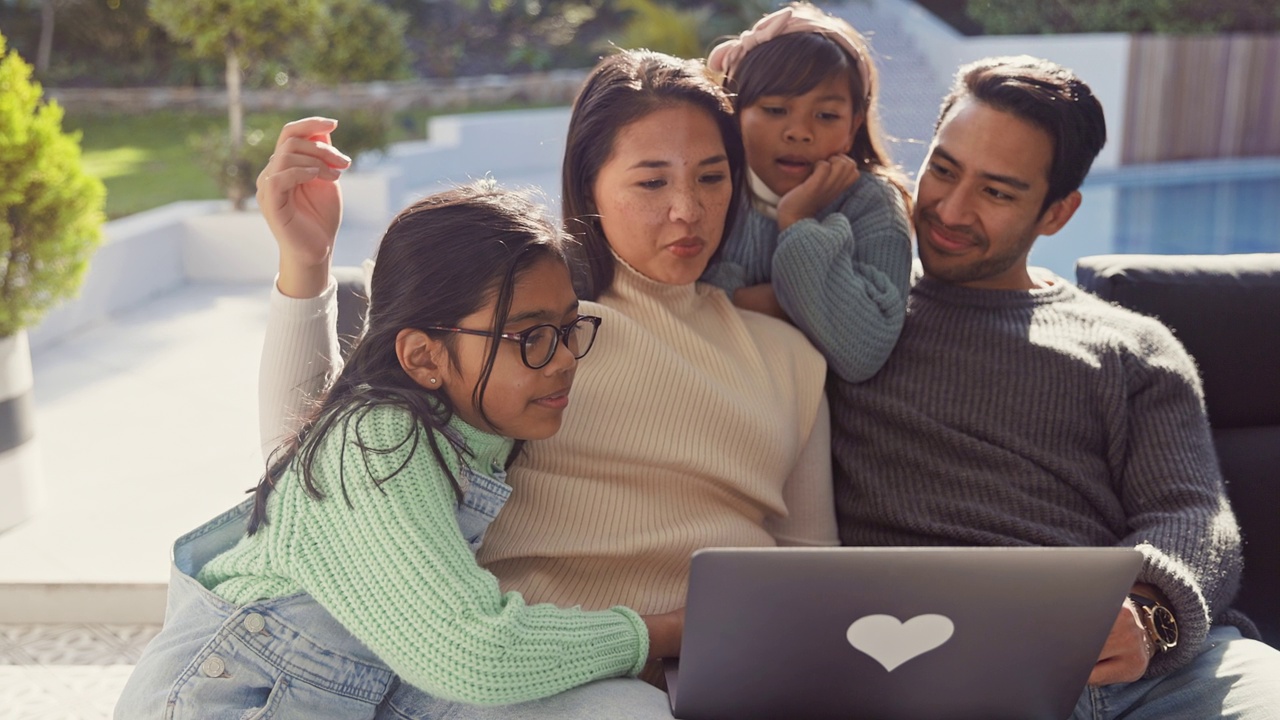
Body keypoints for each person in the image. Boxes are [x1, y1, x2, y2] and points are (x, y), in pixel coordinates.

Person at [258, 50, 835, 707]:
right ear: (589, 186)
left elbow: (810, 569)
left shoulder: (789, 356)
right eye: (652, 183)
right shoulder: (522, 341)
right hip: (540, 674)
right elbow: (309, 459)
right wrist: (305, 268)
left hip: (733, 670)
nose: (688, 210)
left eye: (712, 177)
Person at [115, 166, 686, 718]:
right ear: (422, 357)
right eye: (531, 336)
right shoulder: (376, 438)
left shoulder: (476, 421)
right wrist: (657, 631)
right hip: (238, 695)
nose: (563, 359)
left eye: (567, 329)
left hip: (373, 684)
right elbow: (474, 652)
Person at [832, 55, 1280, 717]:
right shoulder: (845, 315)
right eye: (944, 169)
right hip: (940, 667)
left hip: (1151, 673)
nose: (950, 209)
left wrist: (1148, 613)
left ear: (1058, 213)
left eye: (997, 192)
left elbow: (1194, 515)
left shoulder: (1135, 347)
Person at [701, 2, 912, 382]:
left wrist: (796, 222)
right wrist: (802, 301)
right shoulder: (710, 187)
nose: (799, 131)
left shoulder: (873, 203)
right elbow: (679, 303)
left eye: (827, 115)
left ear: (853, 127)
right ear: (733, 109)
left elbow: (863, 351)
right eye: (776, 109)